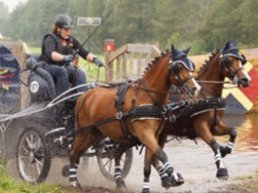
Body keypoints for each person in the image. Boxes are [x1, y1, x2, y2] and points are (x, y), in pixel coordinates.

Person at [41, 14, 103, 96]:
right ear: (58, 29)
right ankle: (61, 102)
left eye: (69, 29)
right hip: (49, 66)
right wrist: (64, 57)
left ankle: (81, 99)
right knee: (61, 72)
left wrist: (95, 59)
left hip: (64, 67)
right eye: (66, 29)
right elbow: (51, 54)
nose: (68, 32)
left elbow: (84, 53)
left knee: (79, 73)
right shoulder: (50, 38)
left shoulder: (71, 40)